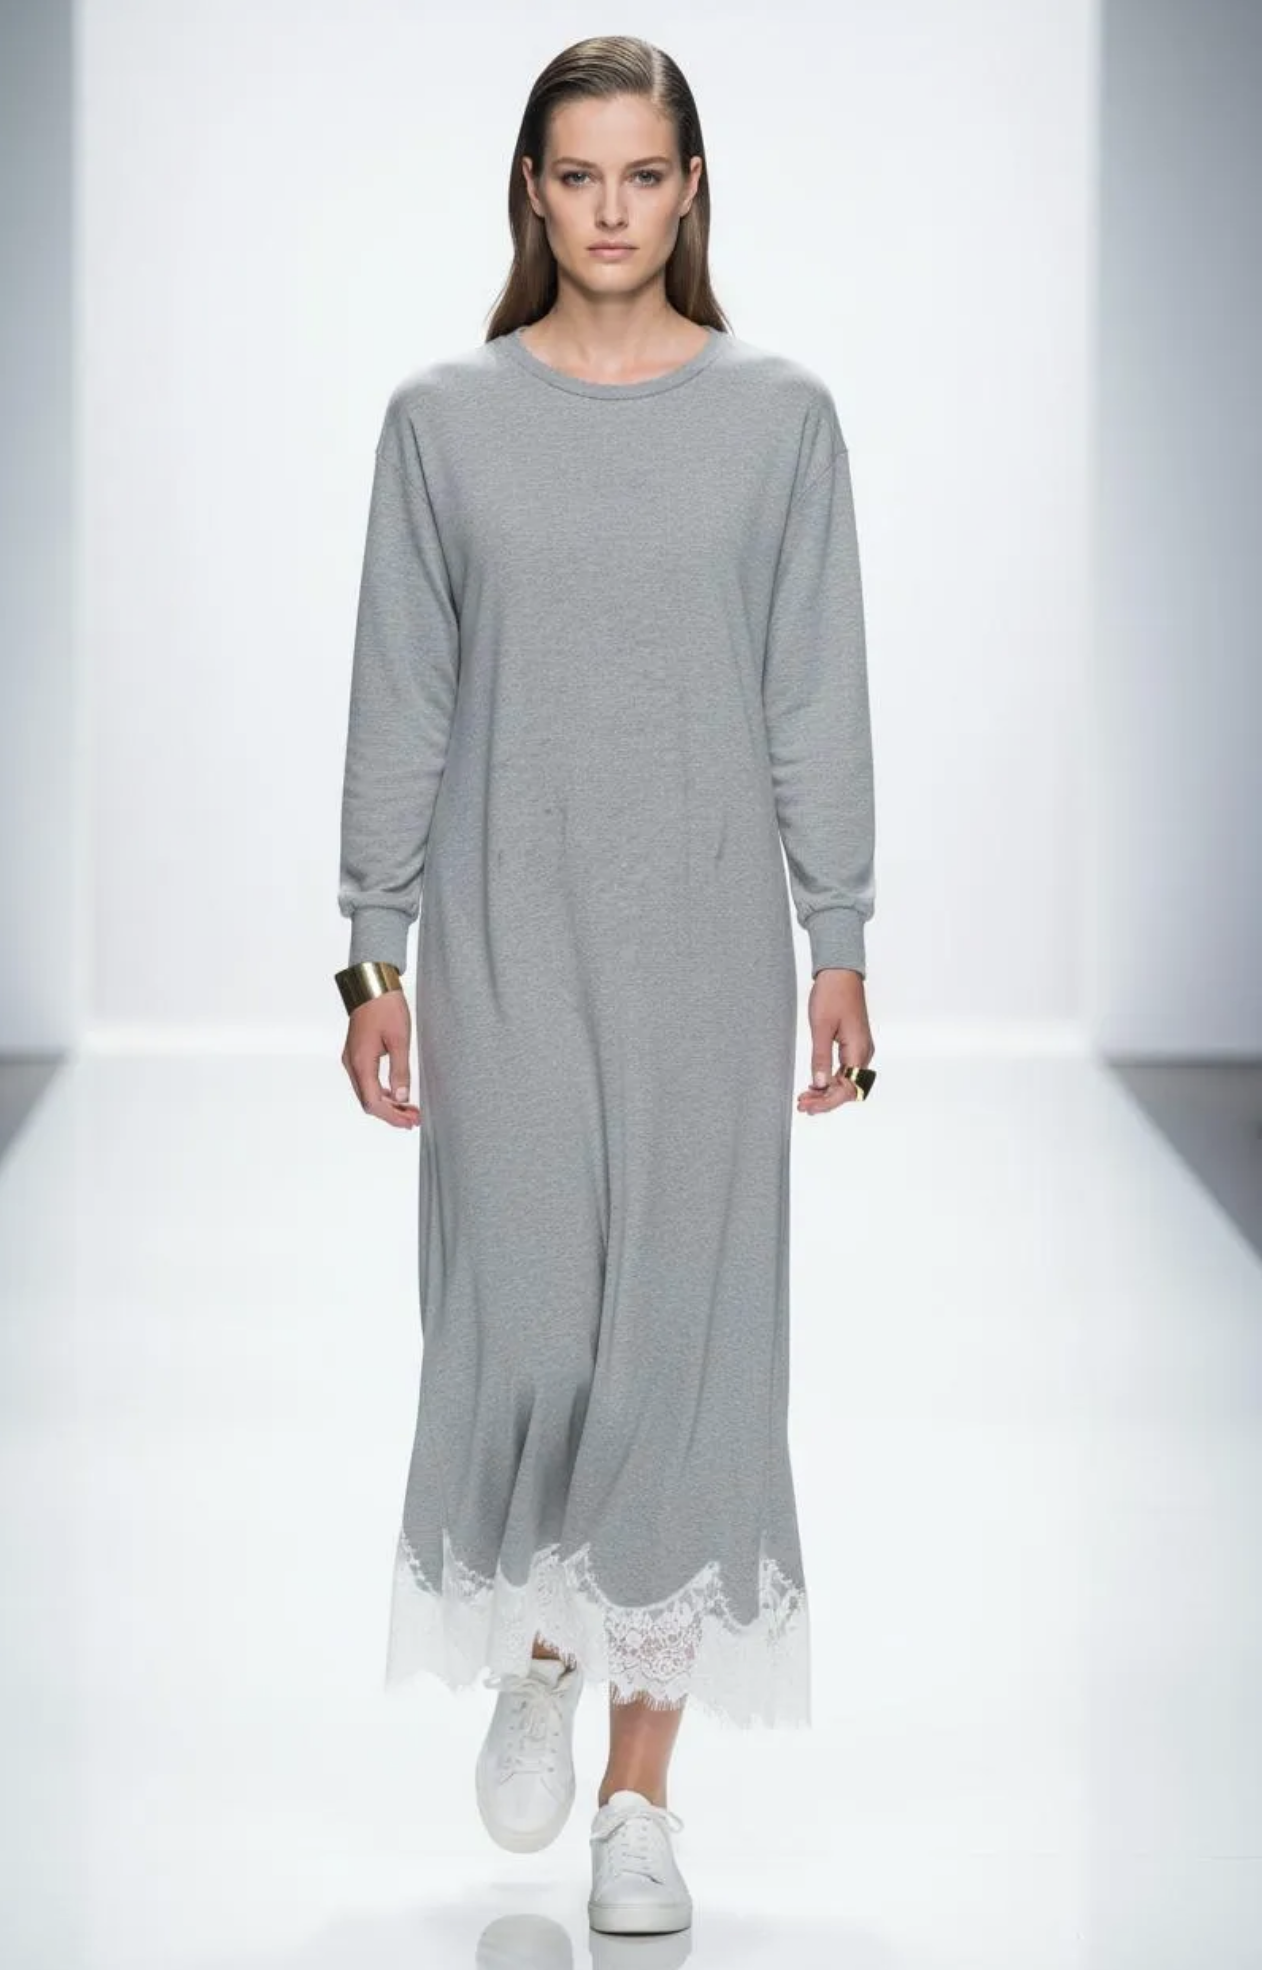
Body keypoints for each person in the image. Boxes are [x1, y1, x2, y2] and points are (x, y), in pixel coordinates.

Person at [335, 34, 877, 1937]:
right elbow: (401, 693)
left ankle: (639, 1800)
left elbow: (814, 691)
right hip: (503, 939)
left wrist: (841, 936)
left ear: (693, 186)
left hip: (710, 948)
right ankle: (545, 1646)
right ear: (532, 191)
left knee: (686, 1352)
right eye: (579, 176)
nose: (613, 211)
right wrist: (369, 949)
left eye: (646, 175)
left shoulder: (780, 420)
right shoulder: (444, 423)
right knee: (527, 1334)